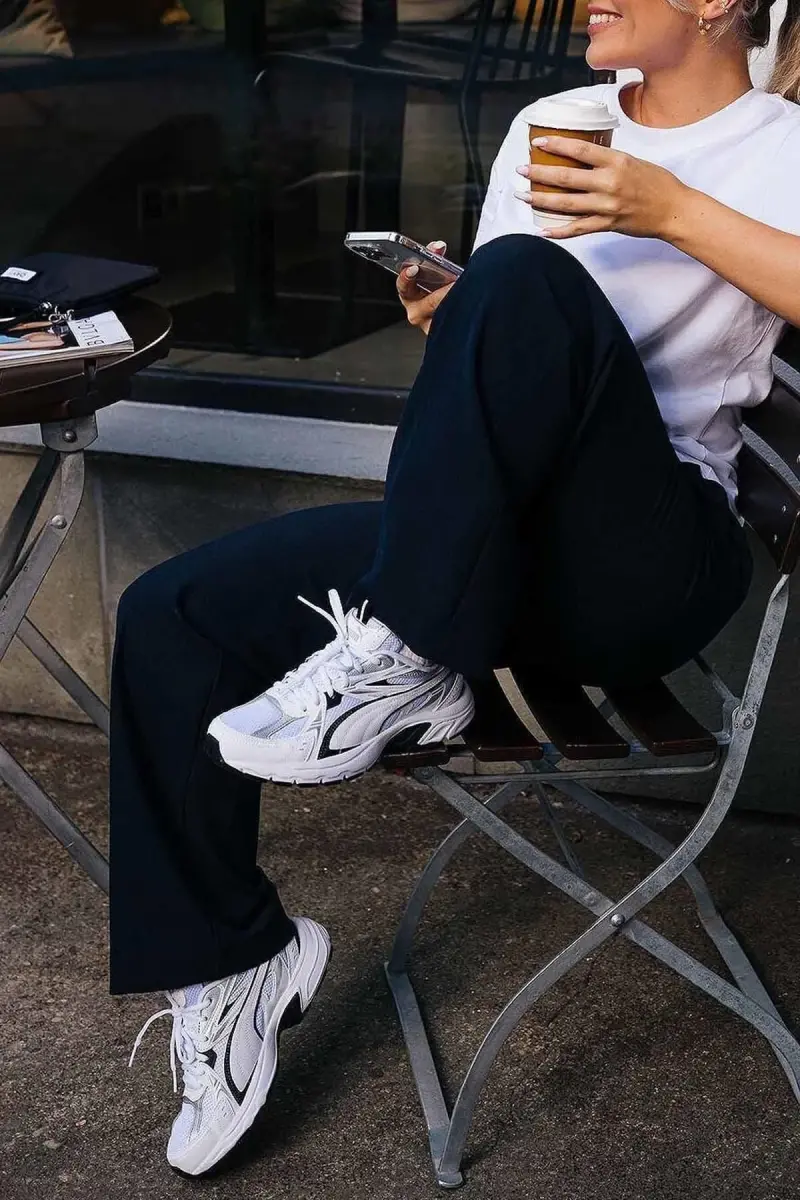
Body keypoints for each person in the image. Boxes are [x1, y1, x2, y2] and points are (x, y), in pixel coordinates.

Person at [117, 0, 800, 1176]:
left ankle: (406, 650)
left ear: (715, 2)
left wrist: (666, 210)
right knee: (169, 615)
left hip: (650, 563)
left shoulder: (779, 149)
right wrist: (456, 317)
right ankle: (231, 964)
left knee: (525, 275)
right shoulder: (552, 121)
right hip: (493, 549)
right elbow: (500, 384)